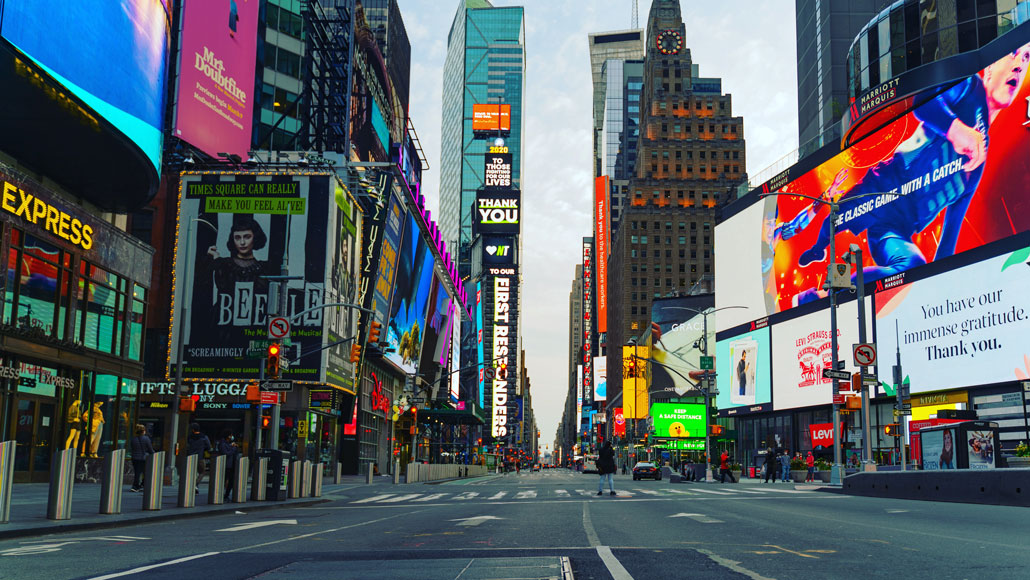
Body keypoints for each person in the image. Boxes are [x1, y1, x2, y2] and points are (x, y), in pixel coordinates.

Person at [777, 45, 1030, 305]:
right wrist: (955, 130)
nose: (1020, 64)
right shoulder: (970, 88)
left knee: (913, 268)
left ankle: (827, 293)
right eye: (1012, 53)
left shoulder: (979, 161)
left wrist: (942, 291)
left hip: (893, 229)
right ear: (989, 69)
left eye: (1026, 57)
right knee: (835, 218)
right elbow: (922, 101)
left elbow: (950, 235)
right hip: (881, 187)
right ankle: (817, 250)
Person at [186, 423, 212, 493]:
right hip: (200, 457)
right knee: (202, 472)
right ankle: (196, 484)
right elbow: (209, 447)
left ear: (193, 430)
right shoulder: (204, 437)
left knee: (191, 473)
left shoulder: (190, 437)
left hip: (191, 457)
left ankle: (192, 486)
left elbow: (187, 446)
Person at [129, 424, 155, 492]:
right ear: (143, 431)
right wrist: (154, 454)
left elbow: (132, 448)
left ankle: (136, 486)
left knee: (137, 472)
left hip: (135, 458)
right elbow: (150, 449)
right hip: (143, 458)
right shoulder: (146, 439)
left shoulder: (133, 439)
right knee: (145, 472)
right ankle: (141, 485)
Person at [216, 429, 239, 501]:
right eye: (231, 435)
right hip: (226, 465)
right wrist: (233, 448)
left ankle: (226, 494)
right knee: (224, 480)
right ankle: (221, 495)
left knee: (231, 480)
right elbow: (226, 453)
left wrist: (232, 446)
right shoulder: (222, 443)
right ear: (228, 436)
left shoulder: (227, 443)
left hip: (231, 465)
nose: (232, 436)